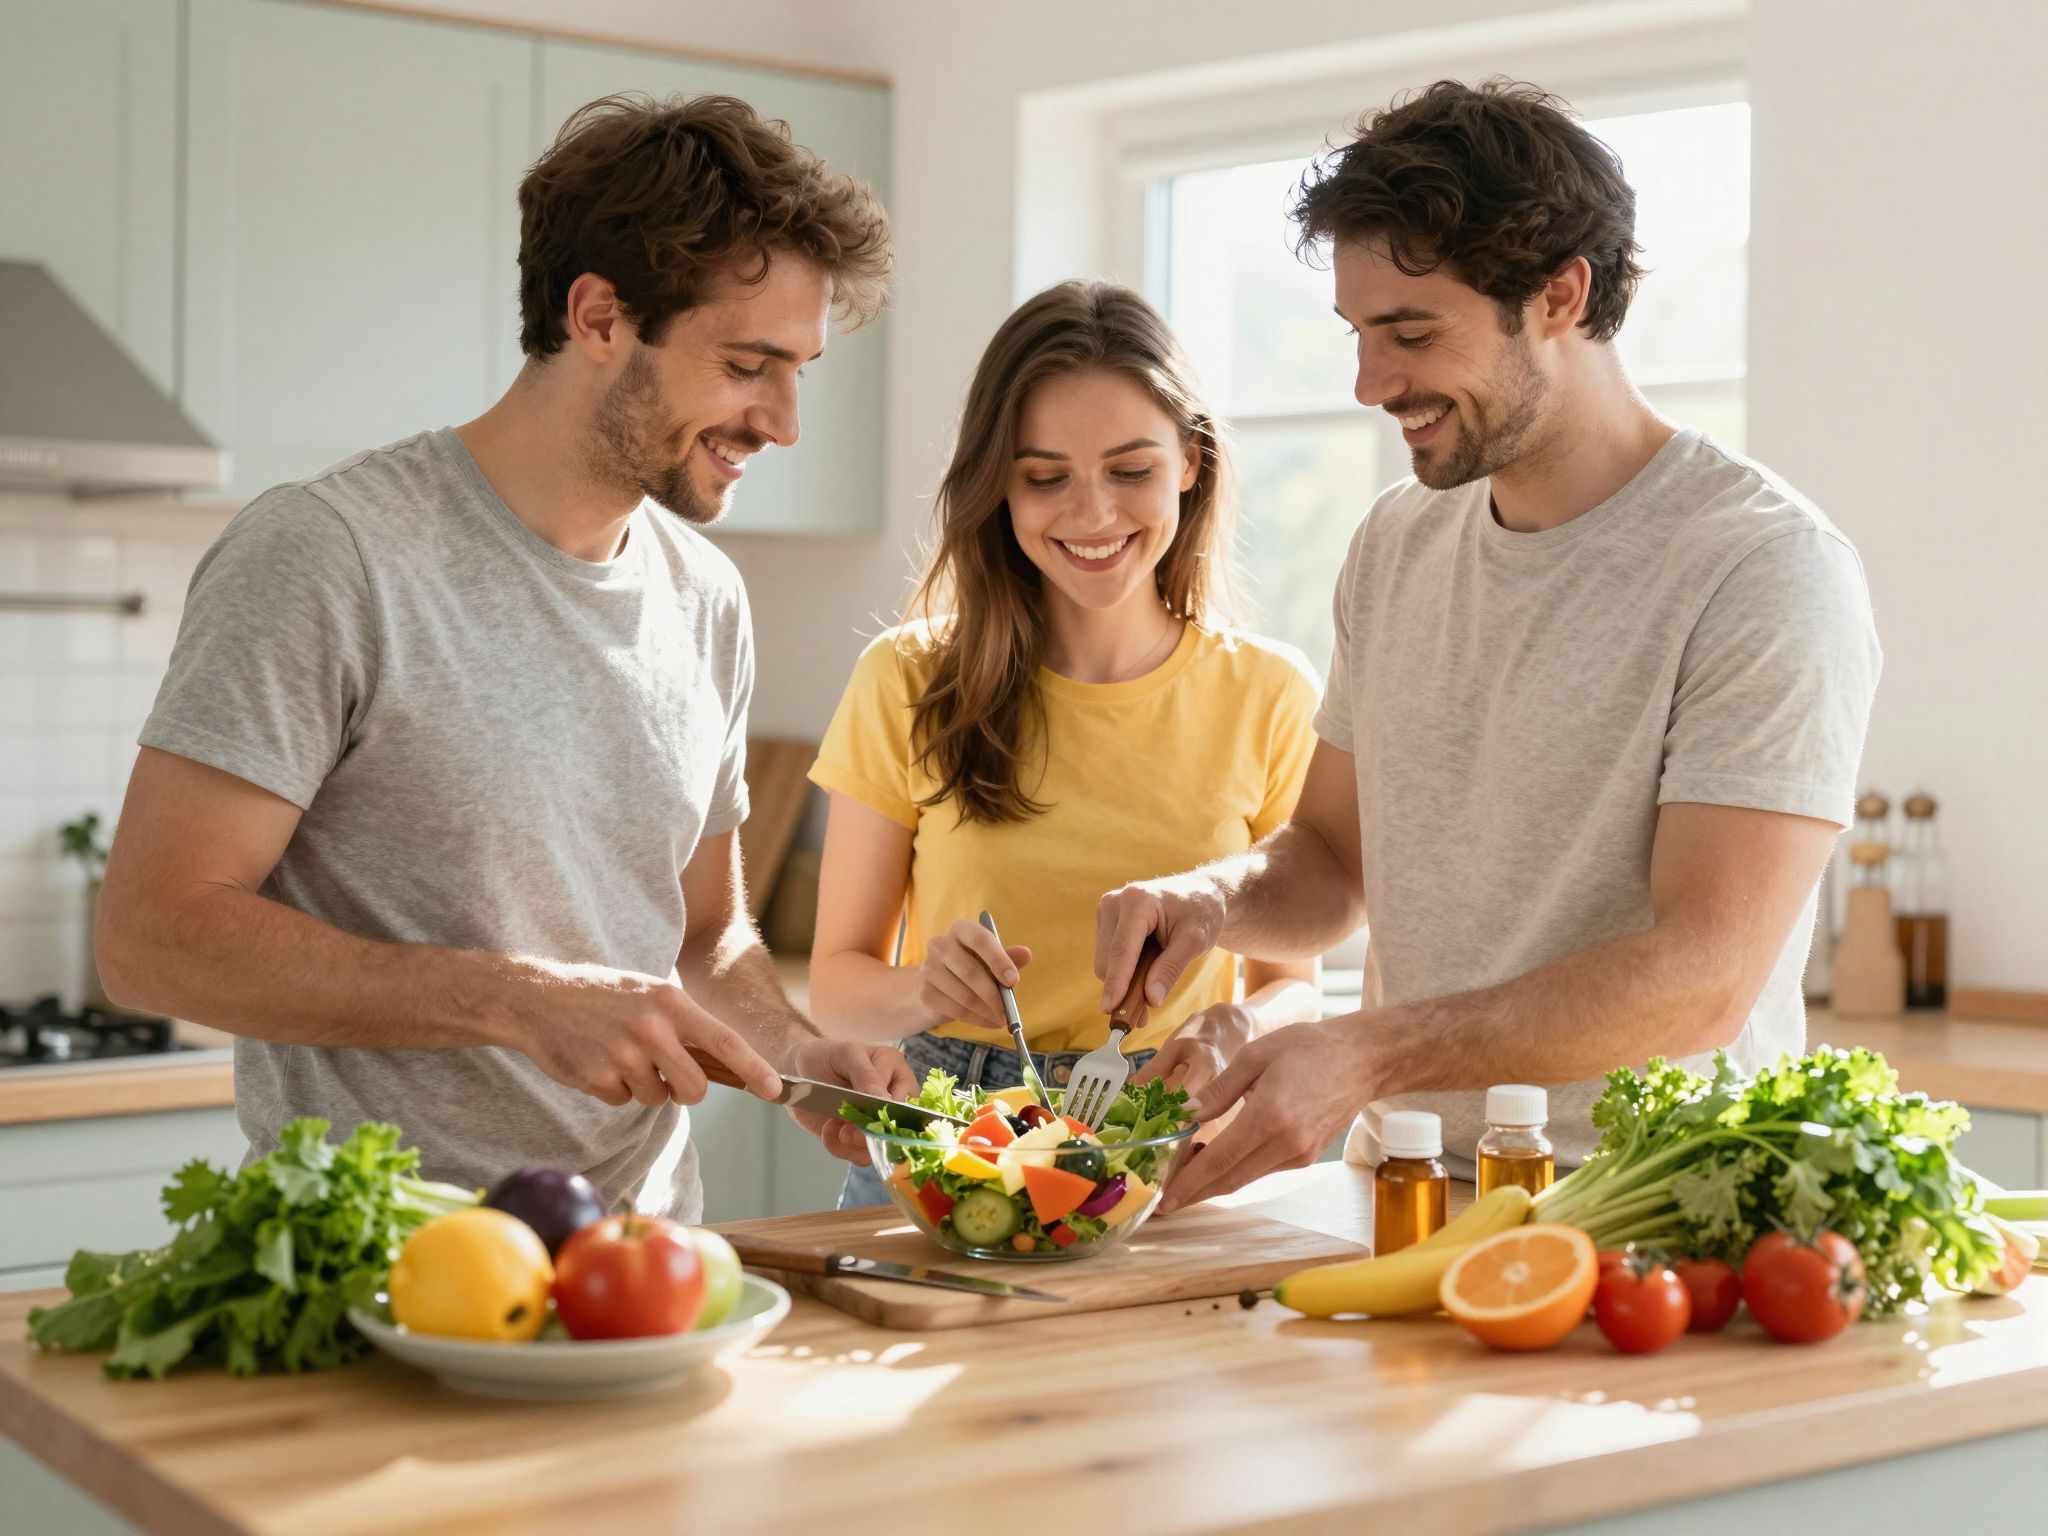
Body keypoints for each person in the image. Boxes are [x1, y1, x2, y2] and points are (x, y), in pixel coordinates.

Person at [93, 94, 912, 1218]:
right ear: (597, 317)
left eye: (798, 369)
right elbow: (151, 941)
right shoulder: (330, 554)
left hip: (644, 1272)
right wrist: (518, 1000)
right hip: (373, 1270)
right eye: (745, 364)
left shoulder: (704, 598)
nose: (783, 421)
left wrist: (794, 1052)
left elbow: (707, 934)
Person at [1095, 80, 1882, 1211]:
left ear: (1558, 295)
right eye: (1359, 336)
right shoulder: (1398, 542)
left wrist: (1366, 1050)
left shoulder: (1759, 566)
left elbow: (1700, 978)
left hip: (1653, 1211)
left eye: (1410, 334)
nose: (1370, 385)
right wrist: (1213, 898)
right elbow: (1329, 859)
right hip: (1405, 1193)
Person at [805, 281, 1323, 1207]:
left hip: (1164, 1136)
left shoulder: (1270, 693)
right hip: (941, 1146)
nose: (1091, 515)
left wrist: (1234, 1026)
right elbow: (837, 988)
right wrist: (928, 988)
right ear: (997, 482)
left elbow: (1294, 978)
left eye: (1130, 470)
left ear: (1191, 463)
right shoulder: (907, 678)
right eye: (1045, 476)